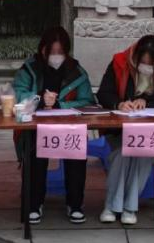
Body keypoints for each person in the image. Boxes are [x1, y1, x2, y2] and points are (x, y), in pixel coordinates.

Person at [96, 34, 154, 225]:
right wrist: (119, 104)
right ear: (136, 57)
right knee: (122, 153)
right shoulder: (119, 62)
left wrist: (148, 102)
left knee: (143, 155)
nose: (146, 67)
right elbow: (103, 93)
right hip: (120, 130)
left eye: (151, 64)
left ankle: (129, 207)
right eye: (143, 62)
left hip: (150, 131)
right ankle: (111, 205)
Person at [13, 26, 95, 224]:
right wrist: (39, 99)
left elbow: (87, 101)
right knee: (34, 152)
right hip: (36, 126)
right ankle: (34, 204)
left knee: (76, 150)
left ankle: (75, 204)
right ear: (43, 49)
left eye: (60, 52)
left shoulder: (76, 71)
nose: (56, 56)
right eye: (52, 51)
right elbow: (18, 94)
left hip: (68, 125)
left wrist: (60, 104)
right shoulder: (30, 69)